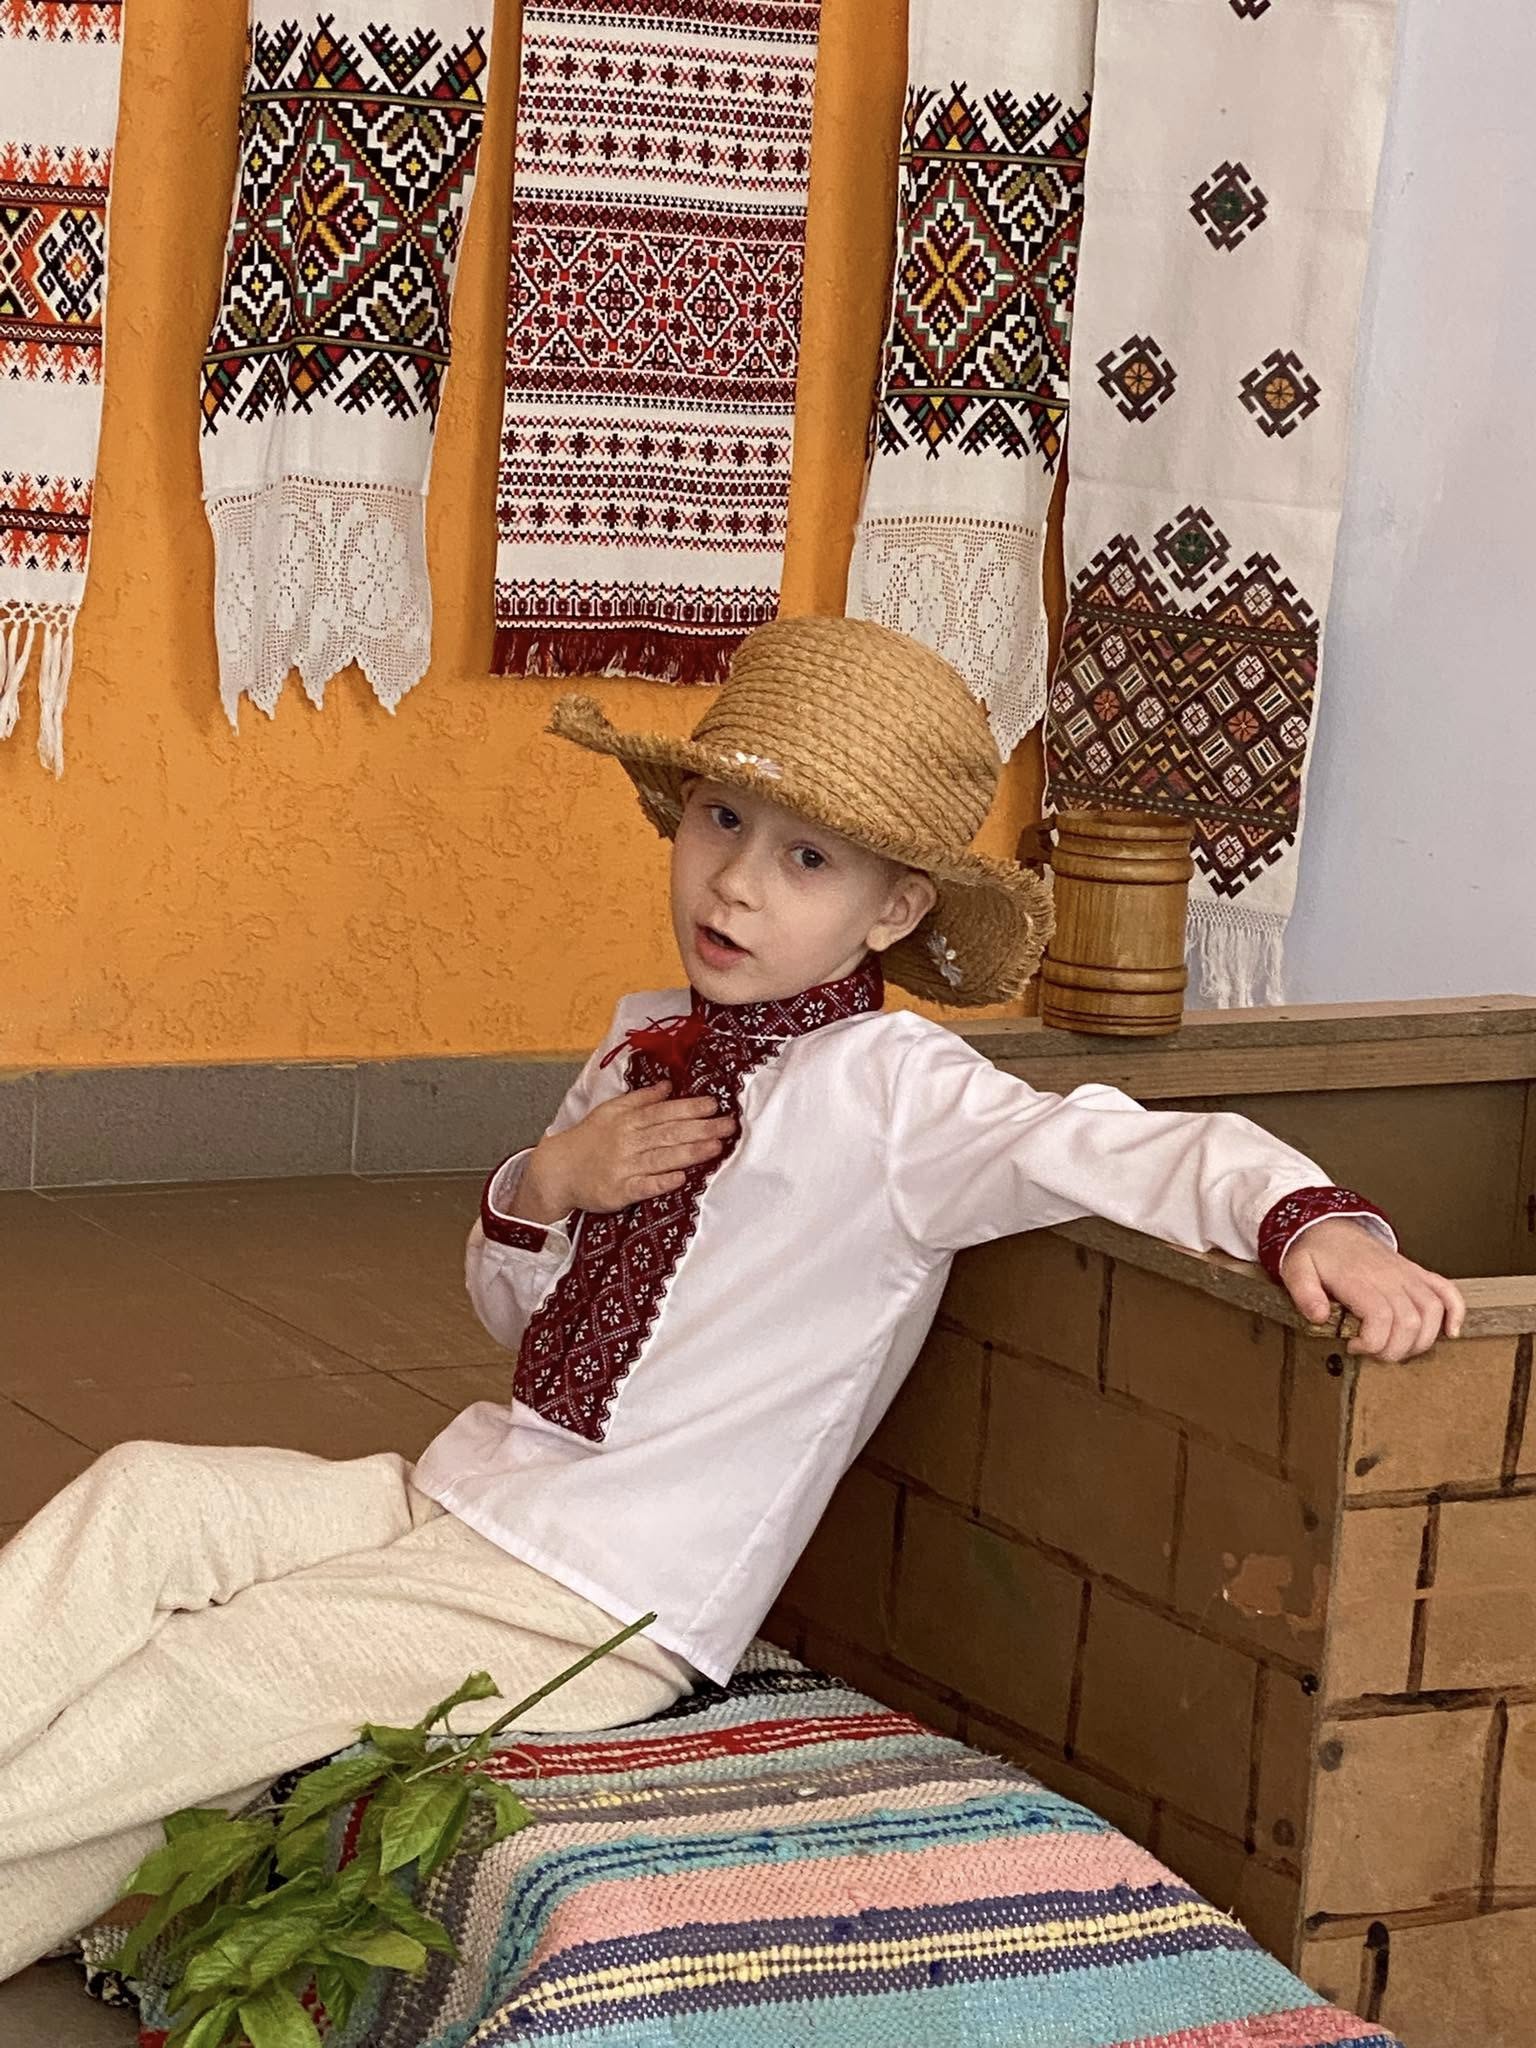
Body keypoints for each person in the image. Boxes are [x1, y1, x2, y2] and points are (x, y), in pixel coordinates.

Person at [0, 616, 1464, 1977]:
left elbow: (1114, 1143)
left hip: (600, 1594)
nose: (738, 883)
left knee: (220, 1677)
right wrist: (550, 1181)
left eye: (808, 859)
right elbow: (521, 1323)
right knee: (147, 1496)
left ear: (896, 908)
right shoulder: (641, 1047)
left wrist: (1315, 1221)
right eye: (720, 822)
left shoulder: (895, 1096)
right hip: (472, 1494)